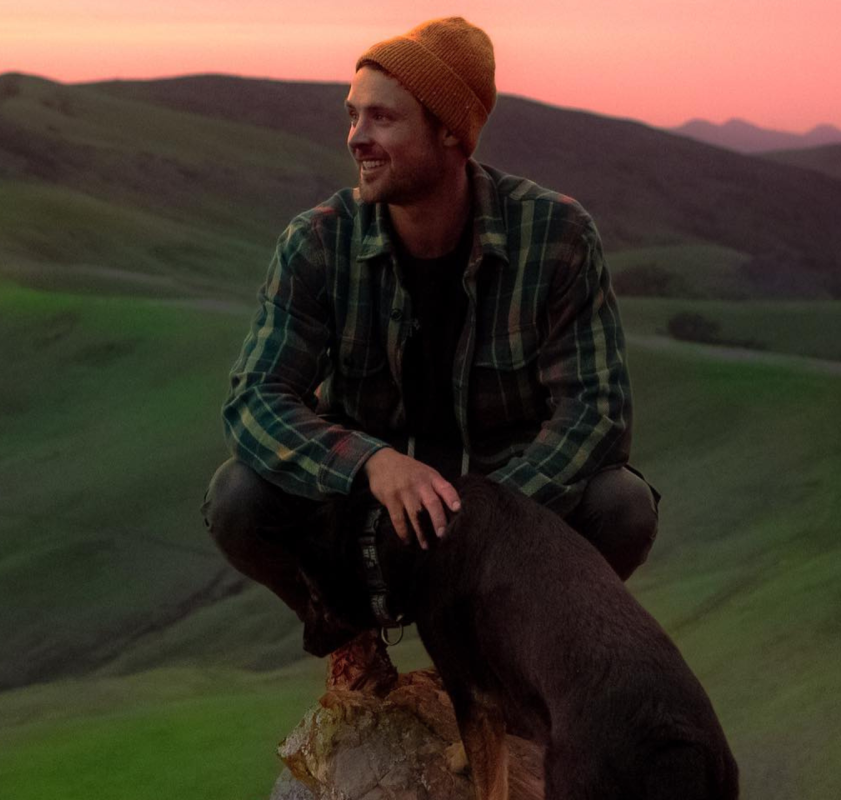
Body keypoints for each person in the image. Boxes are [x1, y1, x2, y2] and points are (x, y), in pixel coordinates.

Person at [202, 17, 658, 693]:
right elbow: (254, 402)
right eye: (353, 116)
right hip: (369, 523)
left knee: (622, 506)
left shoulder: (555, 234)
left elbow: (595, 414)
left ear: (451, 130)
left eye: (383, 118)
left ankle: (495, 656)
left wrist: (483, 512)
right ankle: (349, 634)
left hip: (503, 518)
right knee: (236, 497)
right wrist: (372, 463)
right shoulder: (318, 243)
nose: (357, 137)